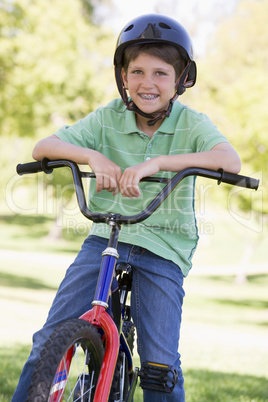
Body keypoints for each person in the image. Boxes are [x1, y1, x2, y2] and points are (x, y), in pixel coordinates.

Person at [13, 14, 241, 401]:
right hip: (105, 235)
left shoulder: (191, 124)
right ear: (123, 77)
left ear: (181, 79)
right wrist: (91, 156)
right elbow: (43, 148)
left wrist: (158, 163)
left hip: (164, 246)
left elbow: (229, 161)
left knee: (159, 366)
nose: (146, 83)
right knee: (50, 341)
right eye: (136, 71)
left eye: (160, 73)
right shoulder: (108, 118)